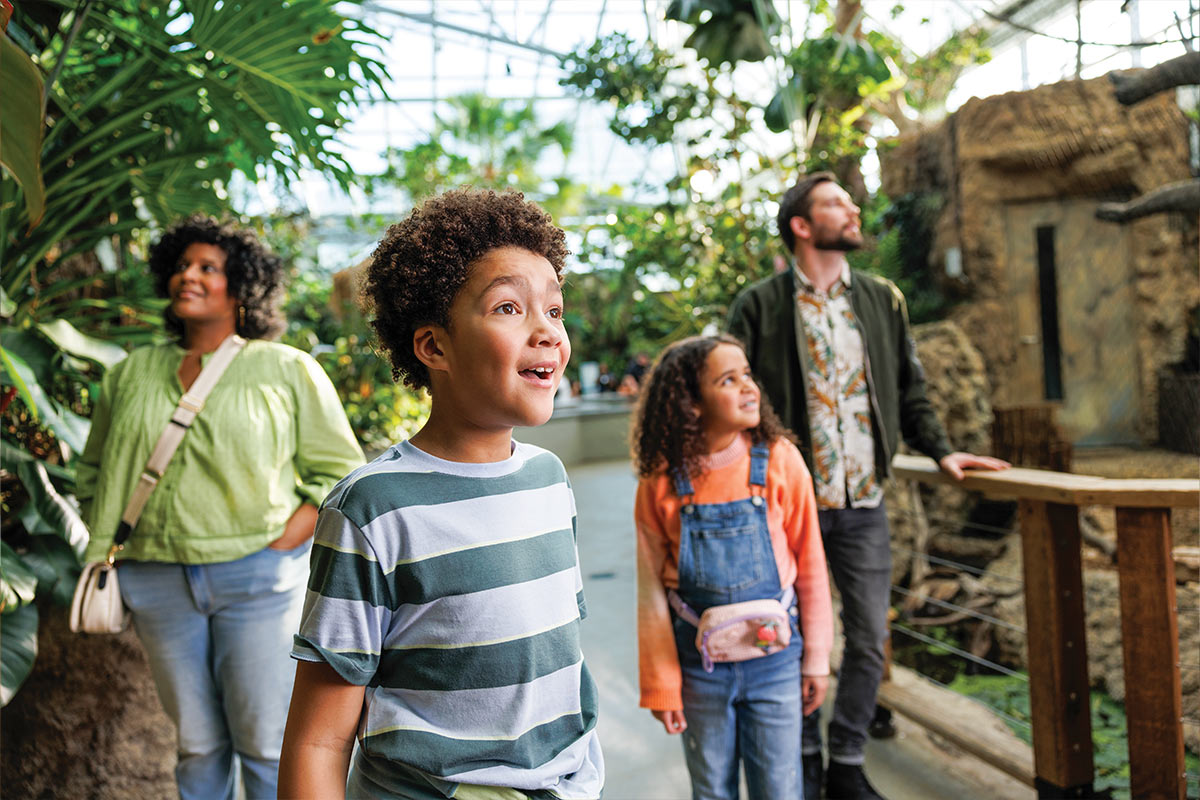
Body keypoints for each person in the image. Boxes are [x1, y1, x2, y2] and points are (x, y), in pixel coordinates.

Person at [278, 188, 604, 800]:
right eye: (510, 308)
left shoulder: (549, 481)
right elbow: (317, 741)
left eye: (554, 311)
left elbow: (545, 665)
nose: (548, 333)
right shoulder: (371, 509)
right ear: (434, 347)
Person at [727, 173, 1009, 800]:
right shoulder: (759, 306)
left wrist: (941, 451)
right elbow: (730, 395)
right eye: (836, 203)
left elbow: (910, 389)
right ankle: (804, 761)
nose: (853, 209)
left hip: (864, 503)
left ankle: (847, 760)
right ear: (802, 226)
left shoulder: (883, 299)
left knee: (869, 635)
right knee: (789, 634)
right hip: (787, 504)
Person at [75, 215, 364, 800]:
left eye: (209, 267)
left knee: (263, 742)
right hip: (153, 580)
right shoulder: (128, 374)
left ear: (243, 286)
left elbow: (341, 473)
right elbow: (92, 472)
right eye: (182, 266)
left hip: (256, 578)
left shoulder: (286, 369)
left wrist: (290, 533)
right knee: (198, 744)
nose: (190, 276)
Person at [632, 334, 834, 800]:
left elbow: (812, 568)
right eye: (728, 379)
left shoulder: (782, 460)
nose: (749, 387)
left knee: (780, 788)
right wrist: (662, 684)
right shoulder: (661, 481)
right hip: (699, 668)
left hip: (777, 661)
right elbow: (650, 595)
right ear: (692, 403)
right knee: (711, 790)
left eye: (747, 375)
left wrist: (817, 659)